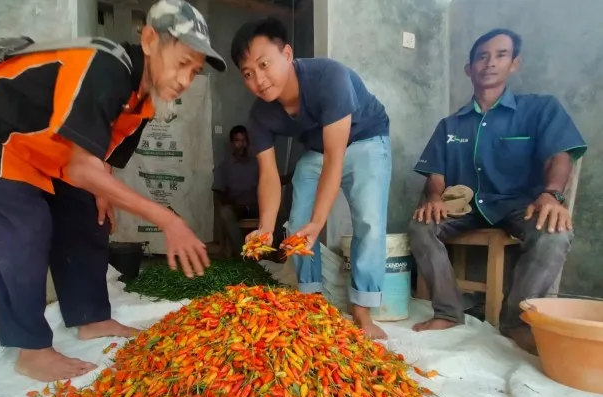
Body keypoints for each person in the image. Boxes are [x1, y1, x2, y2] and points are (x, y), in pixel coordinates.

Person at [0, 0, 226, 382]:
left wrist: (102, 193)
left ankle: (90, 316)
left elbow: (99, 156)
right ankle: (31, 348)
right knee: (26, 227)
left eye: (194, 71)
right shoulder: (106, 67)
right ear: (148, 40)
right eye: (181, 63)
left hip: (46, 147)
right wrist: (165, 218)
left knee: (88, 211)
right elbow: (80, 166)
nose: (184, 79)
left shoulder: (141, 104)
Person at [408, 29, 587, 354]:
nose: (490, 63)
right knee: (420, 226)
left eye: (501, 55)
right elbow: (436, 173)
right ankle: (449, 312)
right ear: (469, 68)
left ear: (514, 63)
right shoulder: (450, 125)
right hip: (465, 206)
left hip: (522, 204)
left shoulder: (539, 109)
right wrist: (435, 197)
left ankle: (516, 322)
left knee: (554, 234)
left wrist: (552, 194)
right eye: (481, 56)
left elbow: (561, 156)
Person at [231, 17, 392, 339]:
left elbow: (336, 157)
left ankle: (362, 309)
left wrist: (320, 223)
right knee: (297, 221)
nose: (259, 80)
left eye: (264, 65)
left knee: (369, 222)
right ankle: (311, 299)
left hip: (364, 140)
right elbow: (269, 175)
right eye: (248, 74)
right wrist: (265, 227)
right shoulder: (260, 114)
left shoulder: (328, 77)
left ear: (287, 54)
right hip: (319, 150)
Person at [213, 125, 260, 253]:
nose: (242, 144)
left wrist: (292, 176)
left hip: (258, 205)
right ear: (231, 144)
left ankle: (269, 254)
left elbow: (272, 181)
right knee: (225, 213)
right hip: (238, 206)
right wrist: (231, 202)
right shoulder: (224, 166)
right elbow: (218, 190)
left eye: (244, 140)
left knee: (276, 211)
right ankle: (242, 253)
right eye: (237, 141)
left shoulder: (258, 163)